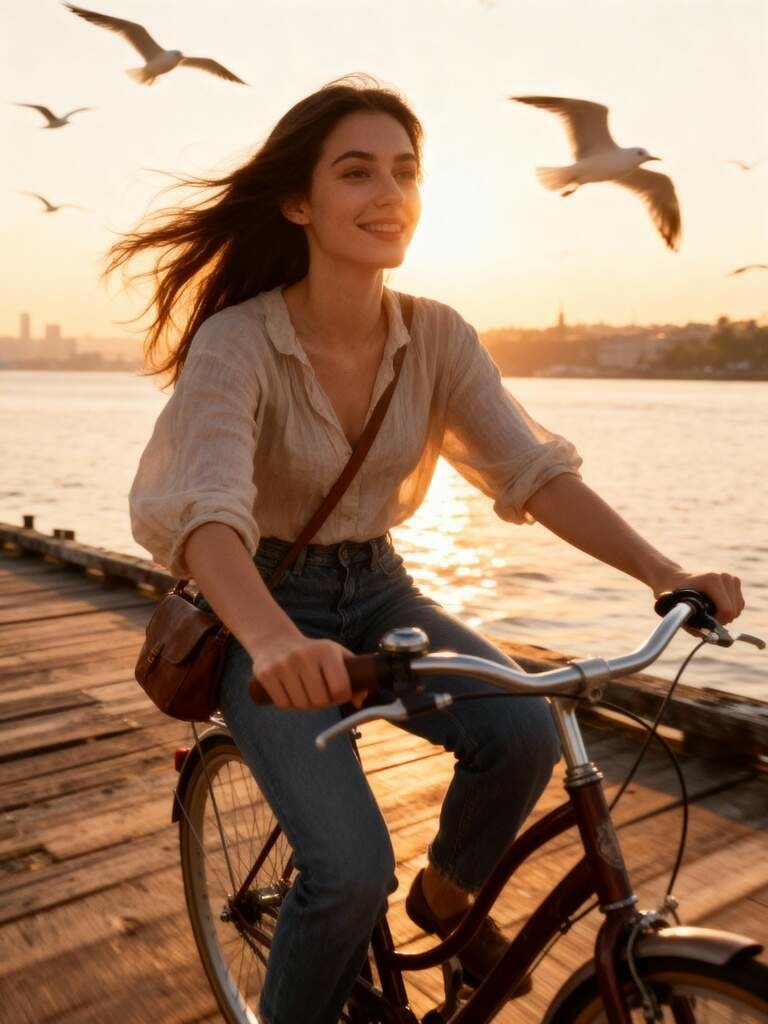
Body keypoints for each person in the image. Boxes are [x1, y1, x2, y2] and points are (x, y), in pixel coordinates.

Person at [122, 74, 744, 1024]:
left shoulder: (437, 335)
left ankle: (446, 899)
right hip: (262, 602)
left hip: (378, 589)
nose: (389, 194)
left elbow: (532, 471)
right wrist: (278, 643)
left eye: (406, 172)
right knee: (348, 870)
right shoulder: (236, 344)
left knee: (523, 732)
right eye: (358, 172)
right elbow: (208, 514)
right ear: (300, 202)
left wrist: (666, 575)